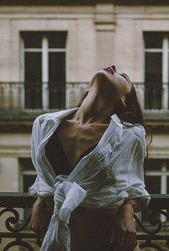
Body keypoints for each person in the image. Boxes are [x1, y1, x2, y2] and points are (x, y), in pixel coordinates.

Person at [29, 65, 150, 251]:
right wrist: (40, 198)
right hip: (59, 240)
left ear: (124, 99)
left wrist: (128, 209)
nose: (113, 67)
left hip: (106, 240)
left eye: (123, 76)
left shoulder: (129, 135)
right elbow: (45, 176)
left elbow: (135, 187)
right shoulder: (44, 124)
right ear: (88, 88)